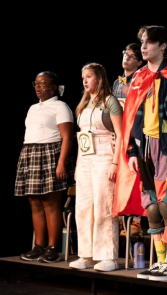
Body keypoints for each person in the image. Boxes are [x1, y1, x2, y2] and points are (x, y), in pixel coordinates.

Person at [113, 25, 167, 281]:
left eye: (149, 42)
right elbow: (131, 119)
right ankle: (159, 261)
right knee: (151, 208)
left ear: (162, 46)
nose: (143, 47)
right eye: (142, 43)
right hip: (145, 150)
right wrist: (131, 152)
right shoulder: (138, 78)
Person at [15, 71, 75, 263]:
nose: (38, 87)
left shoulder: (60, 106)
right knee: (35, 203)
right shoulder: (33, 108)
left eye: (43, 83)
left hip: (50, 154)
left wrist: (61, 163)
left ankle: (53, 248)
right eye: (36, 83)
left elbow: (67, 137)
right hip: (30, 154)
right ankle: (38, 246)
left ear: (54, 87)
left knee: (51, 204)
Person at [69, 63, 123, 272]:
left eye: (89, 77)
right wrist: (77, 166)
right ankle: (87, 255)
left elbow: (120, 134)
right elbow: (82, 139)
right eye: (83, 77)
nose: (85, 81)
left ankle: (108, 256)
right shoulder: (84, 104)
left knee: (104, 206)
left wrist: (115, 163)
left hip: (104, 156)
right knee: (83, 207)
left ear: (99, 79)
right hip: (85, 159)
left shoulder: (111, 102)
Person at [112, 43, 145, 237]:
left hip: (135, 134)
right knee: (120, 178)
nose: (126, 58)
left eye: (131, 56)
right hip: (119, 134)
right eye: (125, 54)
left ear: (140, 62)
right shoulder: (118, 82)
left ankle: (137, 221)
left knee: (136, 178)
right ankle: (120, 219)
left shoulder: (140, 79)